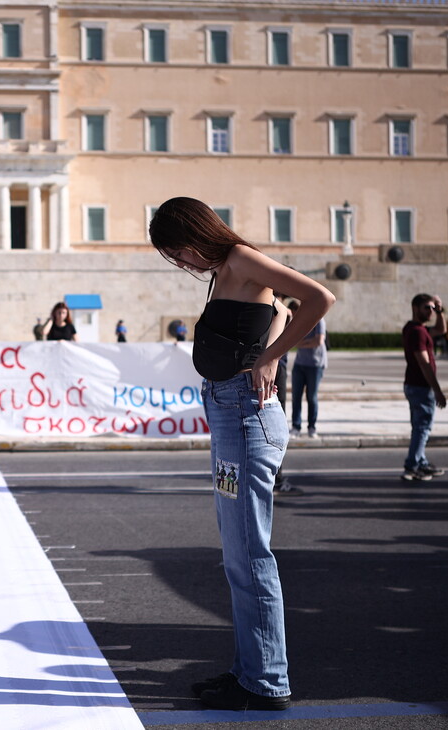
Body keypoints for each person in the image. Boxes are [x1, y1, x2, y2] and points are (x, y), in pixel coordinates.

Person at [149, 197, 334, 712]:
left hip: (247, 418)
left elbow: (318, 299)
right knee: (238, 556)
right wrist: (267, 345)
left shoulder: (240, 259)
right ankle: (249, 670)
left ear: (193, 236)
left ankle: (266, 681)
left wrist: (271, 358)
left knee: (250, 555)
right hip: (230, 416)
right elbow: (279, 309)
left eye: (177, 254)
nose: (181, 264)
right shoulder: (225, 270)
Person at [401, 293, 447, 481]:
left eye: (432, 308)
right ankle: (412, 466)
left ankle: (421, 461)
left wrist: (440, 311)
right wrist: (437, 391)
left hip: (413, 385)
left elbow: (441, 330)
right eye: (426, 308)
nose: (430, 312)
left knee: (419, 427)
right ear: (415, 308)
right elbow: (425, 365)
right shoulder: (418, 332)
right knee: (423, 428)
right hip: (420, 387)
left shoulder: (415, 328)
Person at [273, 299, 302, 496]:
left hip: (272, 367)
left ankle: (274, 478)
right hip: (276, 369)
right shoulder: (279, 310)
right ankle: (276, 479)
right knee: (277, 425)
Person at [290, 311, 327, 438]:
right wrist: (305, 343)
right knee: (296, 396)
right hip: (300, 363)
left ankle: (312, 427)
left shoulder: (319, 320)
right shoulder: (301, 320)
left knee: (311, 397)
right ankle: (296, 426)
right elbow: (293, 340)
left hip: (315, 364)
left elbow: (319, 341)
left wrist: (302, 344)